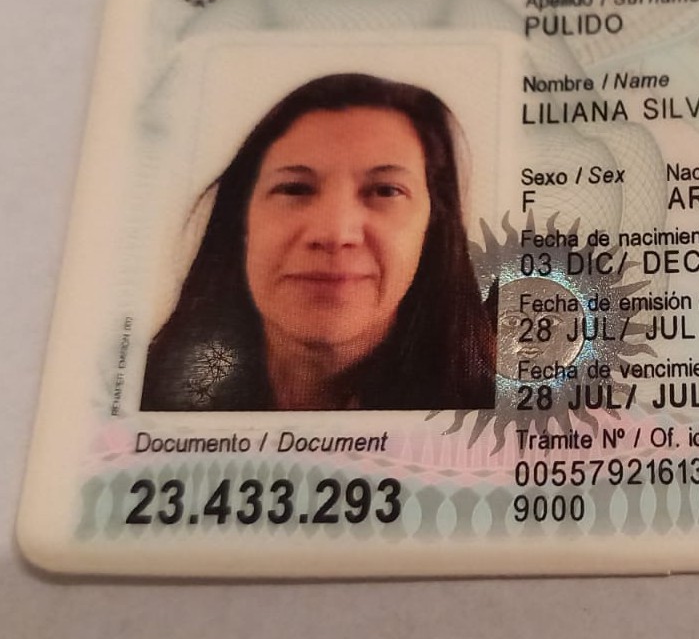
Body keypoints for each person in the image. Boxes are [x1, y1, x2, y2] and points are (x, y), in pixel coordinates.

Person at [141, 73, 497, 411]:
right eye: (295, 188)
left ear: (433, 228)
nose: (335, 234)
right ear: (242, 220)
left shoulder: (496, 420)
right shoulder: (142, 397)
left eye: (385, 190)